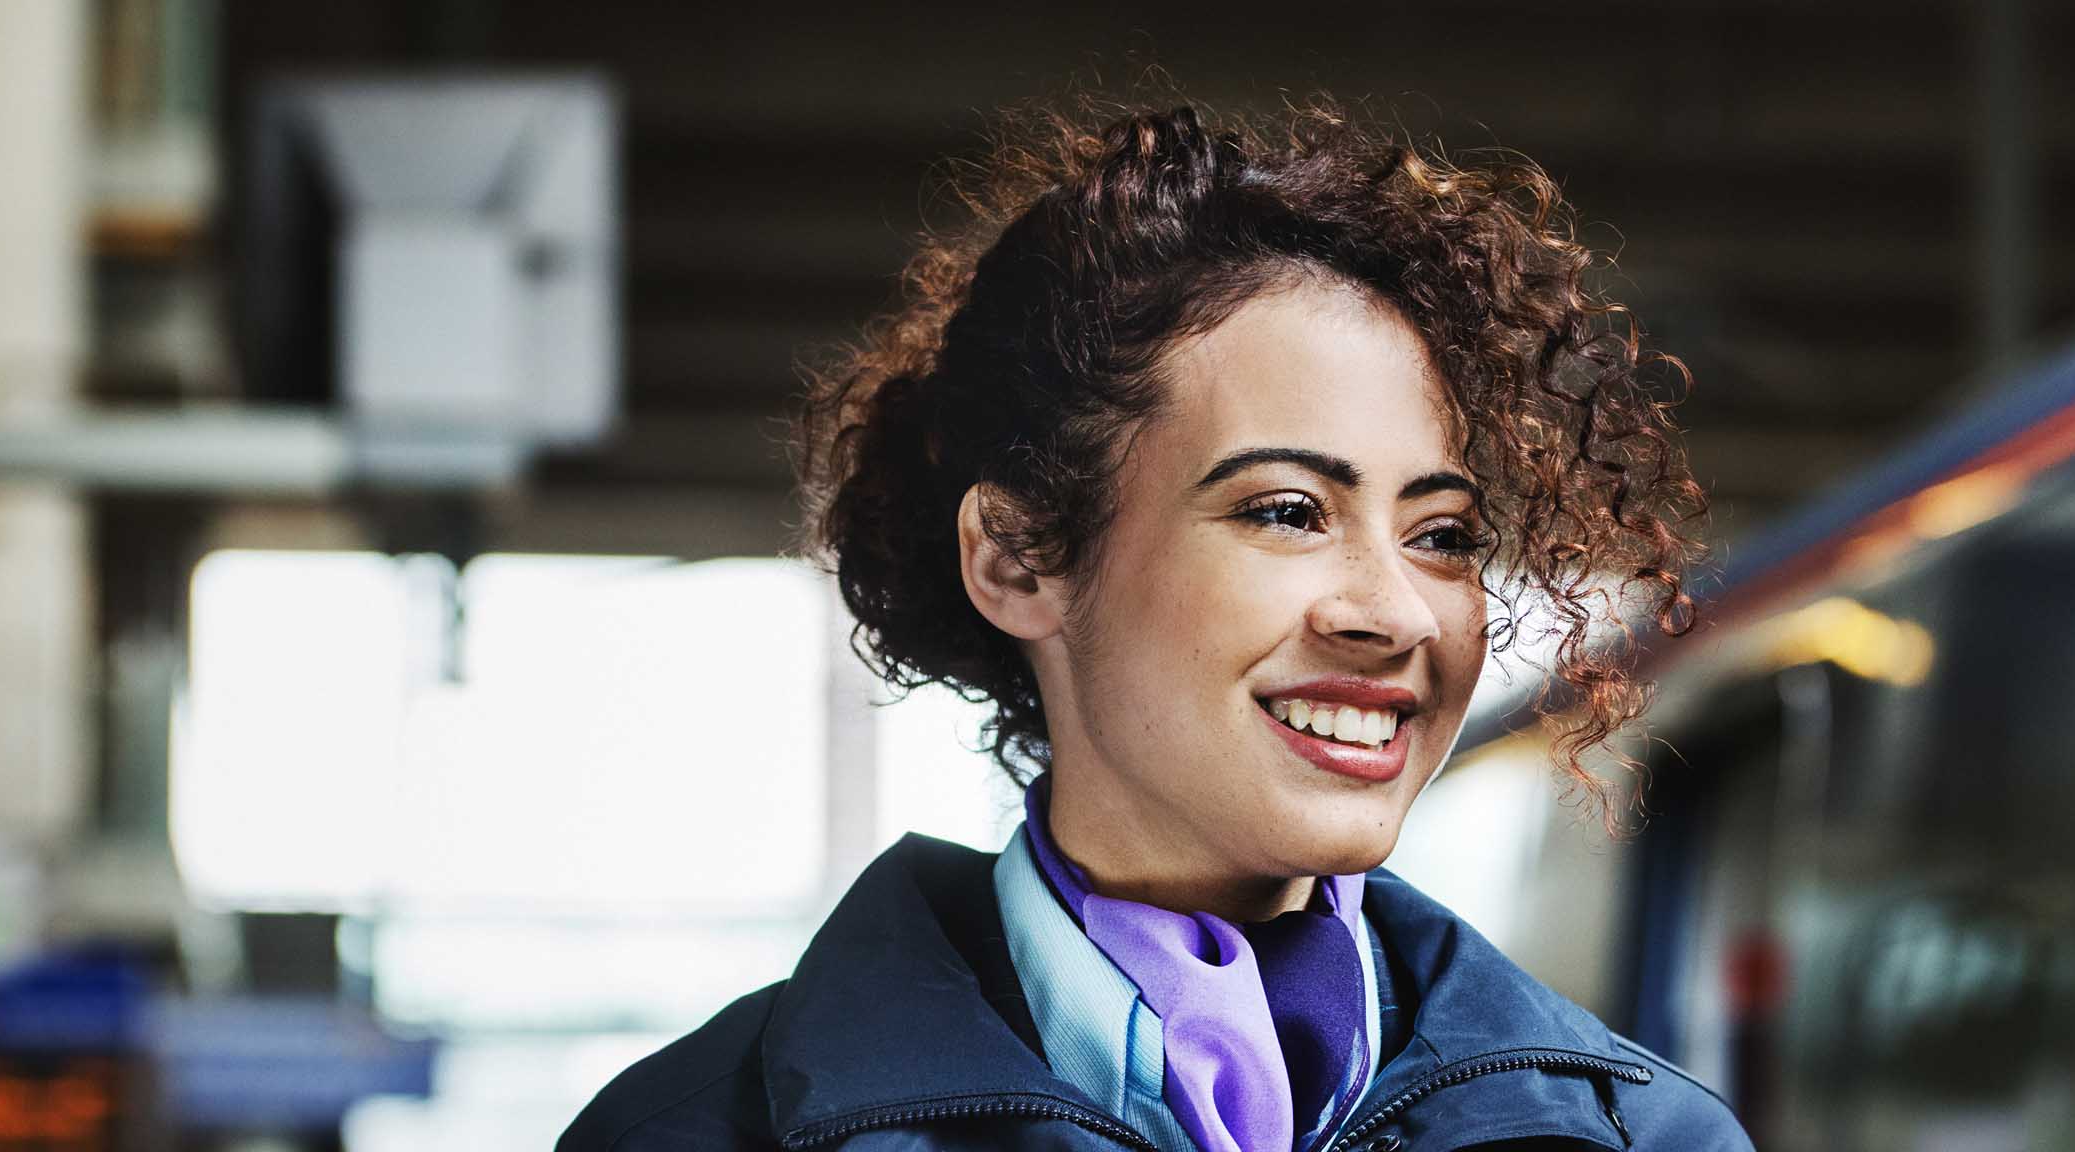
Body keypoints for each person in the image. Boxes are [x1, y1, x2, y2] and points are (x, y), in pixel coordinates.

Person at [560, 99, 1748, 1151]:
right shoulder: (695, 1133)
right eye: (1288, 511)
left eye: (1440, 534)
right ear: (1020, 560)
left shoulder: (1651, 1137)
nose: (1394, 613)